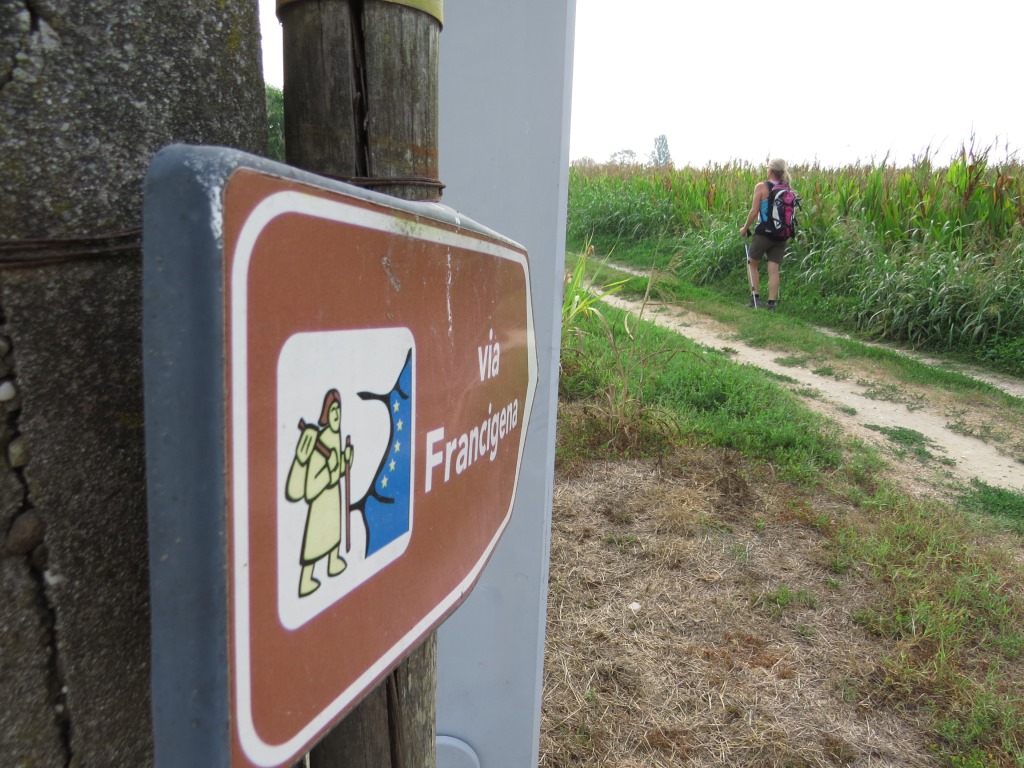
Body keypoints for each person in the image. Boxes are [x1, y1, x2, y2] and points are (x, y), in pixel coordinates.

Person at [739, 158, 792, 311]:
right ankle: (771, 304)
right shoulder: (787, 188)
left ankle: (755, 299)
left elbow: (754, 212)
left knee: (752, 264)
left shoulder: (762, 186)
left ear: (770, 170)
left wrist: (745, 228)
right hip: (781, 234)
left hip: (763, 234)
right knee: (773, 269)